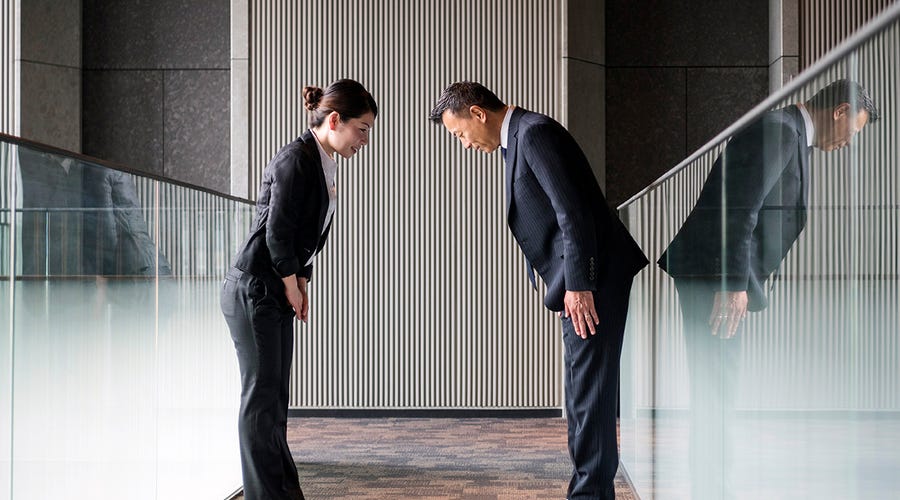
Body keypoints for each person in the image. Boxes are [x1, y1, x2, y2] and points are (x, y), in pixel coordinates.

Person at [657, 79, 879, 499]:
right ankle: (712, 489)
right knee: (716, 391)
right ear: (840, 111)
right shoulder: (781, 129)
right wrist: (734, 283)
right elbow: (741, 205)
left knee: (716, 390)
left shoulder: (790, 132)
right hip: (715, 279)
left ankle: (712, 486)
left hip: (716, 277)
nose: (850, 142)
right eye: (855, 130)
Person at [430, 82, 649, 500]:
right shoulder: (519, 139)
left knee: (591, 395)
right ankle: (588, 490)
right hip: (580, 284)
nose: (463, 145)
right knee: (582, 393)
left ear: (478, 113)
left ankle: (591, 494)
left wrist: (580, 284)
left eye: (459, 133)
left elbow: (573, 211)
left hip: (592, 282)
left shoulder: (533, 133)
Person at [221, 79, 377, 500]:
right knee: (261, 400)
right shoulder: (297, 159)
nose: (365, 139)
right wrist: (292, 285)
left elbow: (303, 233)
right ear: (334, 120)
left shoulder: (322, 160)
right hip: (256, 289)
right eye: (361, 129)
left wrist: (300, 280)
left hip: (274, 287)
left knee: (274, 398)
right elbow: (276, 234)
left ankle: (282, 493)